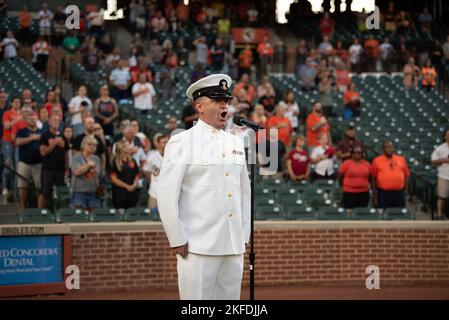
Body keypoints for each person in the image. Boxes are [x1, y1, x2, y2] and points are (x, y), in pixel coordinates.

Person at [157, 74, 250, 300]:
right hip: (197, 246)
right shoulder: (181, 142)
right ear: (199, 106)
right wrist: (177, 238)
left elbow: (244, 194)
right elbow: (166, 194)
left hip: (233, 246)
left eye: (226, 101)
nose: (223, 106)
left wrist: (243, 235)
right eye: (217, 101)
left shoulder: (235, 143)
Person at [15, 112, 44, 210]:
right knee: (22, 186)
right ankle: (22, 208)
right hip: (24, 163)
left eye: (34, 118)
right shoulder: (21, 131)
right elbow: (18, 142)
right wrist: (32, 138)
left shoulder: (42, 131)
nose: (32, 120)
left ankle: (40, 209)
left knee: (39, 187)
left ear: (37, 120)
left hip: (39, 163)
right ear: (26, 121)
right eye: (30, 119)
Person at [39, 114, 68, 209]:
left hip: (60, 169)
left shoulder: (63, 136)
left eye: (57, 120)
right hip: (48, 169)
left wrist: (67, 167)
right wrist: (55, 143)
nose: (56, 122)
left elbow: (66, 153)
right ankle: (41, 213)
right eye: (54, 120)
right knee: (45, 192)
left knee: (61, 191)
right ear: (49, 122)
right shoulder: (45, 135)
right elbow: (43, 152)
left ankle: (60, 212)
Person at [372, 141, 410, 209]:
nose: (389, 149)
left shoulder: (401, 159)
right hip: (384, 193)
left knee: (399, 214)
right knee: (384, 214)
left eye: (391, 147)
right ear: (383, 149)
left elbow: (406, 175)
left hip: (399, 193)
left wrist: (406, 190)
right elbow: (373, 178)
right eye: (387, 147)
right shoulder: (376, 160)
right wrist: (375, 195)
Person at [70, 136, 102, 212]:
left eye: (94, 145)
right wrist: (88, 165)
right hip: (79, 192)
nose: (92, 146)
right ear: (83, 145)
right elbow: (76, 172)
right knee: (80, 217)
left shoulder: (96, 158)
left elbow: (99, 174)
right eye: (89, 144)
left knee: (96, 216)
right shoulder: (76, 157)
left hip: (93, 193)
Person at [110, 140, 140, 209]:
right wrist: (127, 186)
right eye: (127, 146)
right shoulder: (114, 161)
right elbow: (113, 178)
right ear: (121, 148)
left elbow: (137, 175)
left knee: (132, 214)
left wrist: (134, 185)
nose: (129, 147)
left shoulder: (132, 160)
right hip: (119, 194)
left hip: (132, 193)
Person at [143, 134, 168, 211]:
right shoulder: (152, 157)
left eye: (167, 142)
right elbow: (146, 171)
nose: (166, 144)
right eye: (163, 142)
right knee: (153, 216)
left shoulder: (173, 156)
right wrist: (152, 181)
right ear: (158, 144)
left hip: (168, 192)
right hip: (154, 191)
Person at [431, 129, 449, 220]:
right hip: (444, 176)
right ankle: (439, 215)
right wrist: (443, 160)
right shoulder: (440, 148)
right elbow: (433, 161)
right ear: (445, 137)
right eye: (448, 135)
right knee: (442, 197)